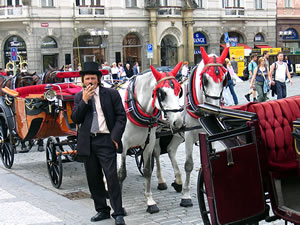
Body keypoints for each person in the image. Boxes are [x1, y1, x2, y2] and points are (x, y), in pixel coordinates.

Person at [71, 62, 127, 225]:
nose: (90, 81)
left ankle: (118, 212)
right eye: (87, 78)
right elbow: (76, 119)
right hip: (88, 141)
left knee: (111, 177)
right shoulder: (78, 97)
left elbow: (121, 117)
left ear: (98, 79)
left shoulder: (111, 94)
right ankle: (102, 210)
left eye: (93, 78)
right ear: (83, 80)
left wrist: (115, 138)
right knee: (93, 178)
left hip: (106, 140)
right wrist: (84, 101)